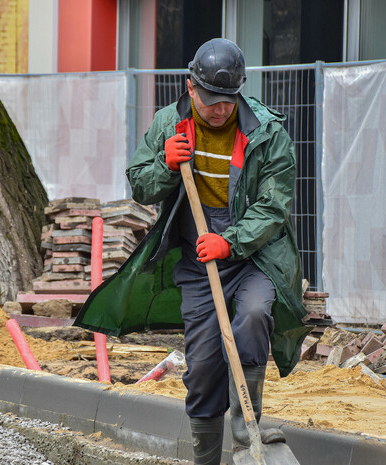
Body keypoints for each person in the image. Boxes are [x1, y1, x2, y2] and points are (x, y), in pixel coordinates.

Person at [73, 38, 310, 465]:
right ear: (190, 87)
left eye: (228, 100)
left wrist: (231, 240)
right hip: (199, 258)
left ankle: (246, 426)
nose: (220, 109)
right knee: (201, 369)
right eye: (211, 100)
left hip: (255, 253)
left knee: (254, 315)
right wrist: (165, 164)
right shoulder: (171, 123)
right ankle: (205, 459)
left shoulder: (267, 131)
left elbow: (274, 206)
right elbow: (140, 185)